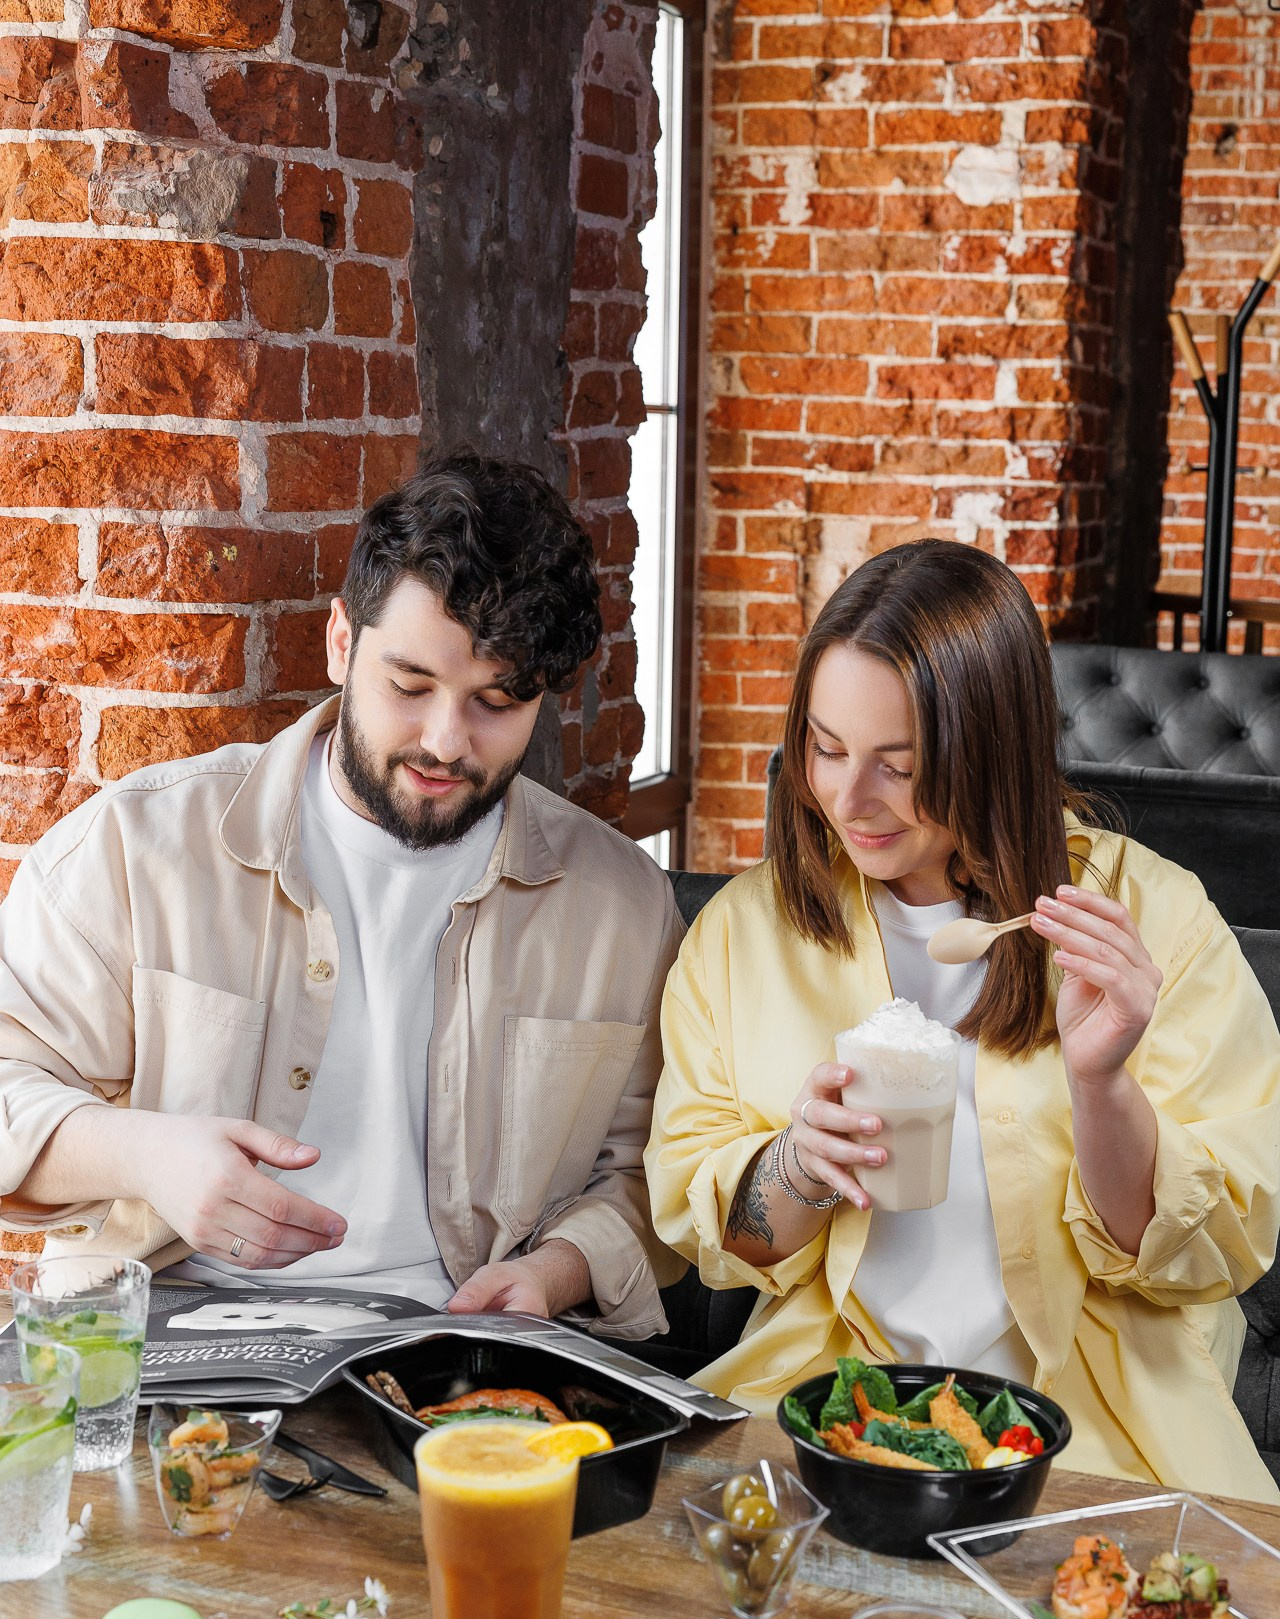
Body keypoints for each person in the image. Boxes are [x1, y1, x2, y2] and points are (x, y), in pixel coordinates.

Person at [646, 539, 1280, 1500]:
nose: (848, 801)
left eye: (899, 766)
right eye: (824, 748)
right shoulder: (746, 933)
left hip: (1100, 1430)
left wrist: (1101, 1082)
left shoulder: (1154, 919)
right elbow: (726, 1242)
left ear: (991, 750)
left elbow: (1198, 1256)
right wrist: (799, 1165)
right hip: (827, 1408)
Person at [0, 452, 683, 1338]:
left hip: (460, 1359)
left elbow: (651, 1170)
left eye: (497, 703)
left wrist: (556, 1273)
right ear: (339, 643)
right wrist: (148, 1156)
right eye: (410, 686)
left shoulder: (620, 904)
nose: (445, 739)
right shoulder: (140, 845)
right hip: (160, 1339)